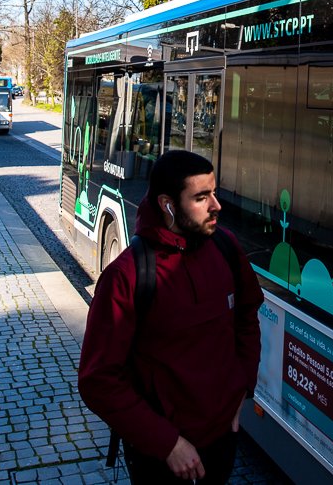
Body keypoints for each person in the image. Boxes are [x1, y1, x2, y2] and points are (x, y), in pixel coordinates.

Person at [78, 150, 263, 485]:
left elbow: (247, 317)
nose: (216, 206)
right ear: (168, 205)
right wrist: (167, 444)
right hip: (161, 459)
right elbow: (98, 380)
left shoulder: (225, 247)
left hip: (222, 442)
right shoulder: (128, 275)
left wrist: (242, 389)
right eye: (201, 197)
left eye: (215, 193)